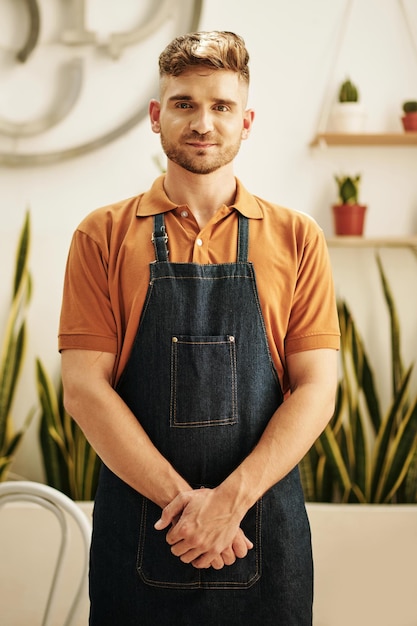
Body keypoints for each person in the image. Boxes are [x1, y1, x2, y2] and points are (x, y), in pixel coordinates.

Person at [59, 30, 340, 625]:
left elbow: (317, 388)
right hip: (142, 534)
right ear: (158, 116)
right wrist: (189, 510)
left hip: (264, 536)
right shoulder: (101, 236)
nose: (203, 122)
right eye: (184, 103)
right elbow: (85, 389)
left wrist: (229, 505)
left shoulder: (297, 237)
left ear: (246, 121)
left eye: (221, 106)